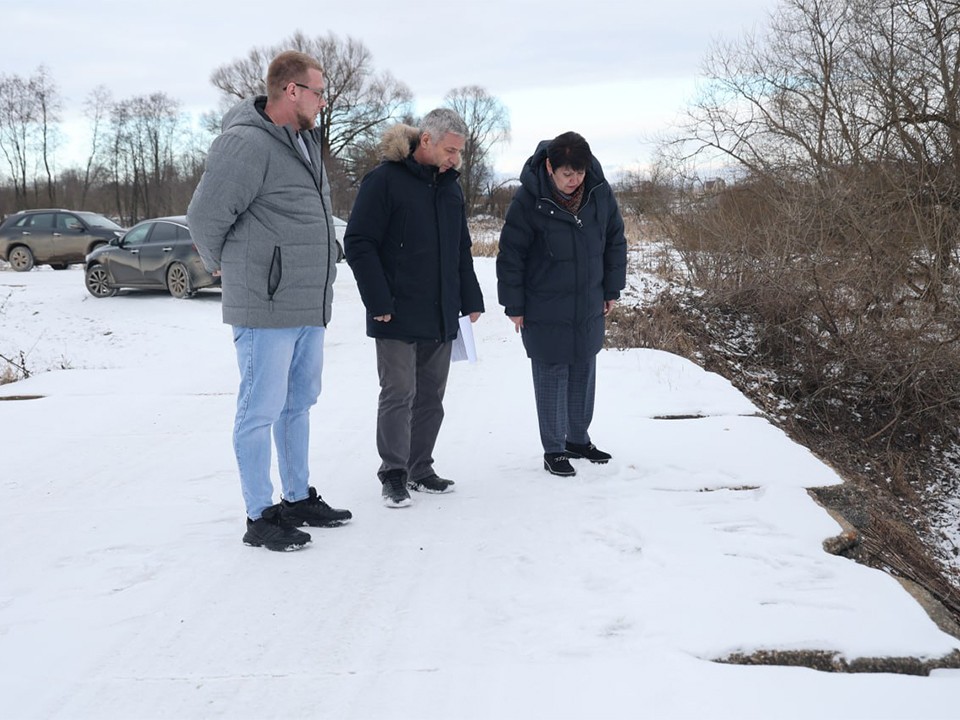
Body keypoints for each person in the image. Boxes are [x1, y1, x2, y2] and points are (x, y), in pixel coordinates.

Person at [187, 50, 351, 551]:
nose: (324, 102)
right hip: (266, 304)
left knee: (298, 403)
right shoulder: (245, 143)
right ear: (291, 91)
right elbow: (204, 218)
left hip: (307, 303)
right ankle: (260, 513)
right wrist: (232, 268)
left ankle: (297, 497)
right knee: (259, 408)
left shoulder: (304, 140)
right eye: (319, 92)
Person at [344, 108, 485, 508]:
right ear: (426, 140)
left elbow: (461, 247)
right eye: (450, 150)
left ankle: (420, 467)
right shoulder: (384, 180)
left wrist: (470, 297)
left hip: (440, 307)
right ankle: (393, 472)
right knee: (399, 392)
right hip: (394, 310)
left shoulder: (450, 188)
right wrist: (378, 299)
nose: (455, 159)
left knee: (431, 395)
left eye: (459, 152)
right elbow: (358, 242)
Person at [496, 131, 627, 476]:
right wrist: (514, 305)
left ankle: (578, 439)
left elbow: (615, 240)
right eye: (567, 174)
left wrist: (611, 289)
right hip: (543, 304)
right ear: (551, 167)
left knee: (584, 367)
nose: (574, 180)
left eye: (579, 173)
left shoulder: (599, 193)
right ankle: (554, 448)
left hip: (588, 300)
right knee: (552, 371)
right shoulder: (529, 199)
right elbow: (511, 255)